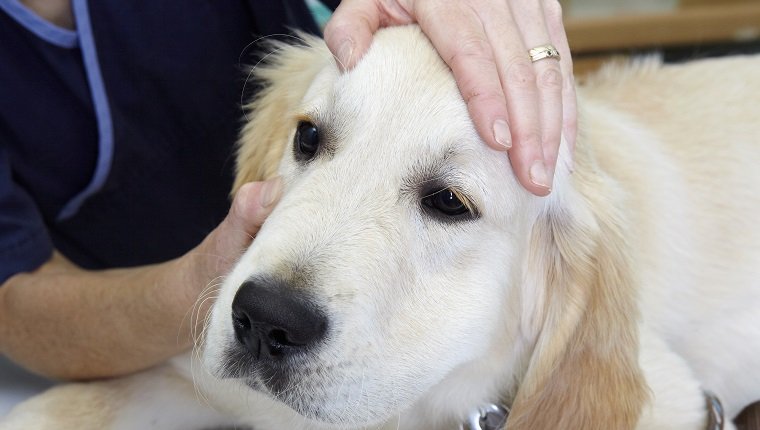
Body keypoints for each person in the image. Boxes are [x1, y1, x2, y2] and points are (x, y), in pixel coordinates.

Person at [0, 0, 576, 381]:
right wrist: (203, 287)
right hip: (144, 346)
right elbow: (14, 301)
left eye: (448, 199)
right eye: (310, 139)